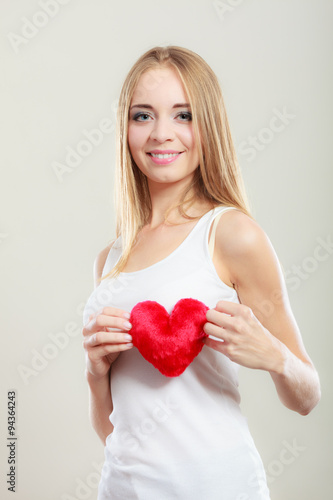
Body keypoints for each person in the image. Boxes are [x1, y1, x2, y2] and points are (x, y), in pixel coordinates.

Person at [81, 45, 321, 500]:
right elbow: (114, 431)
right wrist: (95, 374)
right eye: (143, 116)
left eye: (184, 115)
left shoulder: (231, 234)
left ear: (207, 125)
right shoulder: (109, 260)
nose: (161, 134)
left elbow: (307, 396)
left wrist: (271, 354)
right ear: (125, 129)